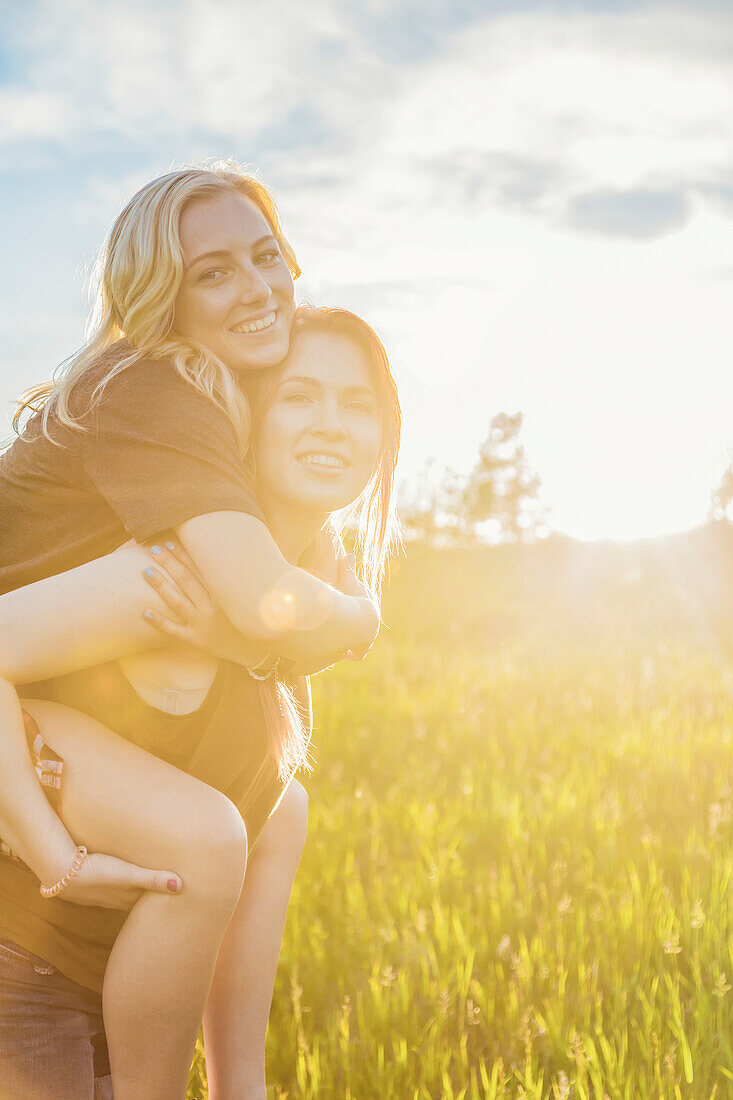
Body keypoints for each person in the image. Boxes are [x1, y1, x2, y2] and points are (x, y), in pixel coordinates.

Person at [0, 161, 399, 1099]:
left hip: (105, 995)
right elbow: (263, 599)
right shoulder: (154, 429)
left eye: (266, 257)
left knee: (256, 818)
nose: (254, 287)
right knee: (209, 835)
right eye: (210, 271)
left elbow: (237, 1070)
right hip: (25, 986)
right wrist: (361, 620)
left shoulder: (261, 681)